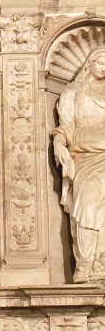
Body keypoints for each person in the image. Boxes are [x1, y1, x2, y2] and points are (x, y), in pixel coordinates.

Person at [53, 48, 105, 282]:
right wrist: (59, 143)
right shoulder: (73, 92)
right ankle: (85, 263)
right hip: (85, 156)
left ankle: (101, 263)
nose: (104, 67)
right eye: (101, 62)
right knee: (86, 202)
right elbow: (66, 127)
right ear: (90, 63)